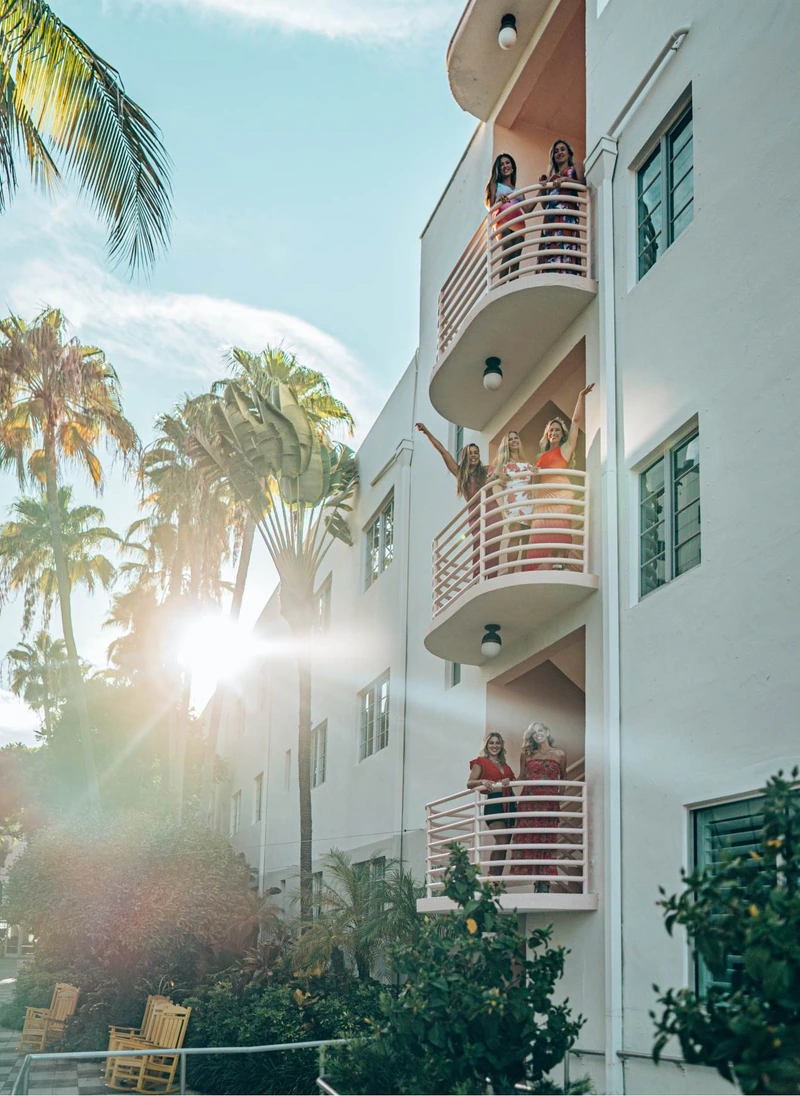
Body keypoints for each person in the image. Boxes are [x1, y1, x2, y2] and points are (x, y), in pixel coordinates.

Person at [415, 423, 500, 579]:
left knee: (493, 547)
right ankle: (478, 579)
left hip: (493, 513)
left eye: (476, 453)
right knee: (479, 546)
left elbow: (504, 467)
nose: (474, 455)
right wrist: (427, 432)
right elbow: (442, 451)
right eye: (470, 453)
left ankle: (492, 578)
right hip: (476, 515)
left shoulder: (486, 470)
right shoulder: (460, 473)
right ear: (466, 456)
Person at [527, 383, 594, 570]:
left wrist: (580, 396)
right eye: (551, 431)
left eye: (557, 430)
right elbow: (534, 483)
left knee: (559, 529)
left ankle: (559, 562)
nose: (554, 433)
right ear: (547, 435)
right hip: (543, 498)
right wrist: (533, 474)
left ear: (561, 434)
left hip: (560, 493)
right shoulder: (540, 457)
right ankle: (545, 568)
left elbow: (576, 421)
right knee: (542, 534)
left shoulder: (564, 449)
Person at [509, 722, 566, 891]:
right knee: (531, 839)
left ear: (547, 732)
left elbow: (563, 778)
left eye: (540, 731)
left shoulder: (560, 754)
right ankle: (536, 882)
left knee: (547, 840)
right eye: (534, 733)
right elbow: (521, 777)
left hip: (549, 802)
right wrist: (505, 781)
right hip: (529, 801)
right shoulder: (527, 754)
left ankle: (545, 883)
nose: (537, 734)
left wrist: (558, 799)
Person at [467, 732, 516, 878]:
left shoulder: (504, 764)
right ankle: (491, 878)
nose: (495, 746)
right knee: (501, 840)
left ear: (501, 746)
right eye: (491, 743)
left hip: (510, 802)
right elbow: (469, 783)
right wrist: (482, 781)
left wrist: (509, 780)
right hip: (494, 802)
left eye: (497, 743)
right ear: (487, 745)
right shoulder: (480, 761)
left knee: (506, 843)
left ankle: (496, 881)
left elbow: (515, 780)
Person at [536, 139, 586, 273]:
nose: (559, 153)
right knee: (551, 245)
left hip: (567, 213)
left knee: (567, 241)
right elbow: (545, 204)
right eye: (556, 151)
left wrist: (566, 180)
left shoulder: (576, 166)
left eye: (562, 149)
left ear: (569, 152)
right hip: (551, 217)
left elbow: (582, 184)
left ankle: (568, 271)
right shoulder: (552, 177)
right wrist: (543, 186)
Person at [491, 429, 537, 572]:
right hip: (512, 501)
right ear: (507, 443)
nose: (514, 441)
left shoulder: (527, 463)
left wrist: (535, 473)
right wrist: (497, 475)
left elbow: (534, 484)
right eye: (510, 439)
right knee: (515, 533)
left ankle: (524, 572)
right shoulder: (502, 464)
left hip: (527, 500)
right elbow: (489, 479)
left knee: (526, 538)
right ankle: (510, 571)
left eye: (515, 438)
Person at [485, 152, 523, 281]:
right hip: (503, 222)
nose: (505, 166)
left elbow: (528, 209)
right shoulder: (495, 185)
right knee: (507, 250)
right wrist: (498, 201)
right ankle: (501, 286)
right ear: (498, 169)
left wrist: (541, 189)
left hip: (519, 223)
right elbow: (491, 208)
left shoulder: (518, 190)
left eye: (507, 163)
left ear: (512, 167)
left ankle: (514, 286)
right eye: (501, 164)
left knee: (516, 258)